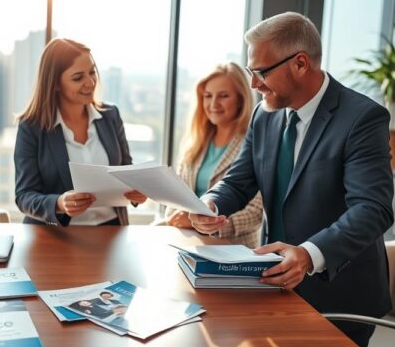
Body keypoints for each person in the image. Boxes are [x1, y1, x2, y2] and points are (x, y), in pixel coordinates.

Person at [189, 12, 393, 347]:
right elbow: (239, 181)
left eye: (261, 72)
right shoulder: (264, 114)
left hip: (340, 298)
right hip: (275, 284)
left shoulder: (362, 118)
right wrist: (211, 202)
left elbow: (373, 210)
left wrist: (310, 254)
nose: (254, 84)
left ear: (300, 63)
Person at [15, 38, 147, 226]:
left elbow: (126, 170)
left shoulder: (111, 116)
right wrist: (59, 203)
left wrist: (137, 192)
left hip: (111, 230)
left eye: (92, 72)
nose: (90, 82)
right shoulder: (31, 127)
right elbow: (24, 196)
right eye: (78, 77)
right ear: (55, 83)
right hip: (56, 235)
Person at [163, 62, 263, 247]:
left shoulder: (254, 144)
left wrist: (206, 224)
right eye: (207, 96)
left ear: (241, 99)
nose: (213, 104)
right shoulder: (195, 141)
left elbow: (254, 213)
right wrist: (177, 216)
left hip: (232, 249)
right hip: (187, 243)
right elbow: (176, 195)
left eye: (223, 96)